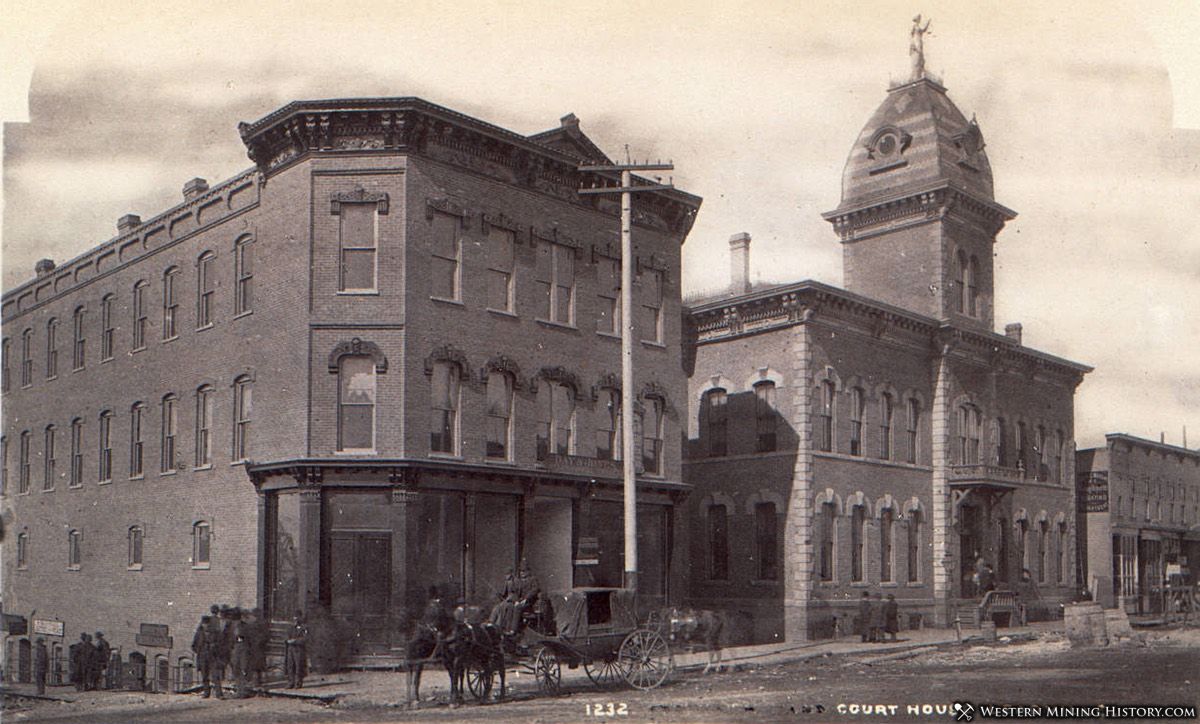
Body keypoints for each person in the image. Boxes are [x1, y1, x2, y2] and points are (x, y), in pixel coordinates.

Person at [285, 610, 308, 689]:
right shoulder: (290, 627)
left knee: (299, 666)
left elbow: (305, 639)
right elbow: (286, 636)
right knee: (290, 666)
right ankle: (291, 682)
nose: (295, 619)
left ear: (300, 617)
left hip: (299, 649)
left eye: (297, 617)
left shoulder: (304, 628)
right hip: (290, 649)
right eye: (294, 617)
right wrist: (287, 640)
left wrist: (295, 641)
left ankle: (298, 682)